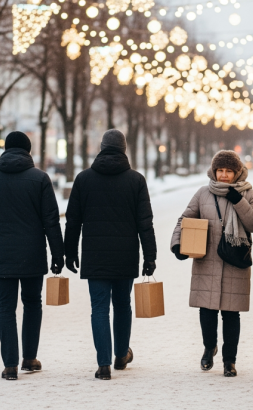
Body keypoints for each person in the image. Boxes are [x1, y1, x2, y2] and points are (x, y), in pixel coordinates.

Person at [64, 129, 157, 380]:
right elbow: (144, 223)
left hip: (95, 256)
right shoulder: (136, 180)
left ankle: (103, 364)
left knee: (99, 308)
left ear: (102, 147)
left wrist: (69, 252)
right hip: (125, 255)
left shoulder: (84, 179)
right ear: (124, 149)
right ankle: (120, 355)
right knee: (123, 305)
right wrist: (150, 256)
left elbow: (73, 221)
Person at [0, 131, 65, 381]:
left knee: (6, 308)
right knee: (33, 303)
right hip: (32, 253)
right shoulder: (40, 179)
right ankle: (29, 359)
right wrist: (58, 254)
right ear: (28, 150)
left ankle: (10, 364)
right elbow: (51, 221)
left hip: (2, 252)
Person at [170, 150, 253, 377]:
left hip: (234, 262)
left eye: (228, 171)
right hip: (207, 261)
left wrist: (238, 201)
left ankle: (229, 361)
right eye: (220, 170)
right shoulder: (203, 193)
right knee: (207, 311)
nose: (223, 175)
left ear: (236, 172)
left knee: (231, 315)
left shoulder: (247, 193)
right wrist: (178, 244)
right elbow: (186, 218)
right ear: (214, 171)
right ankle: (209, 347)